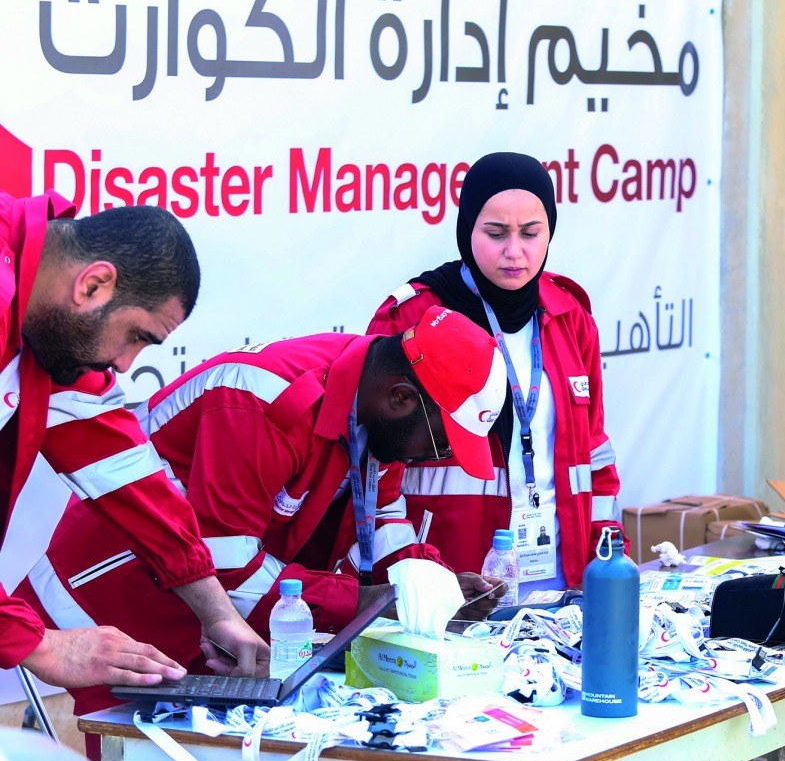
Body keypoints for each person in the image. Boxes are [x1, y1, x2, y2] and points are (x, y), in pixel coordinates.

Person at [17, 305, 509, 713]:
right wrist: (375, 600)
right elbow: (232, 570)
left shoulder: (377, 410)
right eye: (442, 444)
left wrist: (432, 584)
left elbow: (384, 522)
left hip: (212, 625)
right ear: (401, 399)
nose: (436, 459)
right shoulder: (263, 400)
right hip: (116, 606)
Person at [0, 189, 267, 691]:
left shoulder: (50, 319)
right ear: (94, 284)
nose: (125, 365)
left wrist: (217, 611)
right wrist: (37, 642)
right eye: (136, 336)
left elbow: (122, 466)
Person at [367, 151, 621, 593]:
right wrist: (416, 578)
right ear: (467, 230)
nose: (514, 251)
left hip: (564, 572)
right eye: (496, 233)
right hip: (449, 575)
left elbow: (595, 453)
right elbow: (374, 471)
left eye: (530, 233)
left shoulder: (569, 314)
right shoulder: (413, 318)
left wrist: (606, 558)